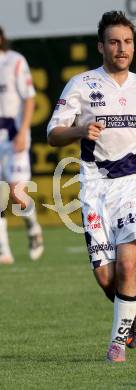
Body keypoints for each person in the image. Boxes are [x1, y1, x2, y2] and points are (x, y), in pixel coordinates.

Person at [47, 10, 136, 362]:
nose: (122, 48)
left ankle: (116, 345)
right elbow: (52, 134)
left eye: (128, 42)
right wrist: (78, 130)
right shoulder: (81, 85)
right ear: (101, 46)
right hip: (95, 187)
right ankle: (135, 305)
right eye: (115, 42)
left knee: (128, 266)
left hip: (135, 185)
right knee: (107, 279)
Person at [0, 26, 44, 264]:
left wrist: (23, 131)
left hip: (13, 136)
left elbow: (29, 97)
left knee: (17, 193)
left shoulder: (14, 61)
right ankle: (3, 250)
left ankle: (33, 227)